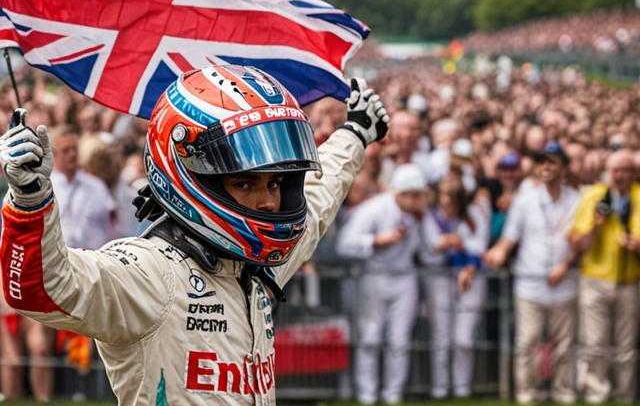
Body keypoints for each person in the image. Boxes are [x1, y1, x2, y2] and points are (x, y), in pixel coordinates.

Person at [0, 65, 389, 405]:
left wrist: (354, 134)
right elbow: (44, 289)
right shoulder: (149, 271)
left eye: (275, 184)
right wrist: (30, 199)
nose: (269, 202)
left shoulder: (258, 268)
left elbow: (319, 199)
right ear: (191, 176)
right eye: (245, 183)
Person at [484, 141, 581, 404]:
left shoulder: (577, 200)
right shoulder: (524, 201)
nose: (546, 167)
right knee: (527, 344)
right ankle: (527, 395)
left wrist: (567, 263)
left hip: (565, 283)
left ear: (564, 168)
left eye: (552, 162)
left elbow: (584, 242)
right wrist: (499, 252)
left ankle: (563, 393)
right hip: (530, 284)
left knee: (563, 346)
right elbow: (509, 237)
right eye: (541, 162)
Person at [337, 163, 427, 405]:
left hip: (405, 277)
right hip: (374, 276)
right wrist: (376, 240)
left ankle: (393, 395)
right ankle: (367, 394)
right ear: (399, 194)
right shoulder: (373, 209)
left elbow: (428, 250)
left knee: (399, 340)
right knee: (370, 337)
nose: (419, 200)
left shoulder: (420, 214)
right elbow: (344, 244)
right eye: (414, 195)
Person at [572, 149, 640, 403]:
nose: (620, 175)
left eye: (625, 170)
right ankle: (596, 393)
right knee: (595, 343)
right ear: (607, 172)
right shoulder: (593, 197)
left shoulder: (638, 196)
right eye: (615, 170)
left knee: (626, 346)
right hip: (595, 279)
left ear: (633, 173)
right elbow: (578, 244)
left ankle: (624, 394)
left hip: (628, 280)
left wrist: (636, 245)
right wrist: (596, 226)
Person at [419, 177, 491, 399]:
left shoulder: (474, 213)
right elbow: (433, 244)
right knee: (441, 336)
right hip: (439, 276)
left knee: (463, 339)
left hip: (469, 276)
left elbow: (480, 245)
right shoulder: (430, 214)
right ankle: (440, 389)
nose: (446, 208)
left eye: (451, 203)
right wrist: (452, 241)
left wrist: (460, 245)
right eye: (443, 202)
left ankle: (461, 389)